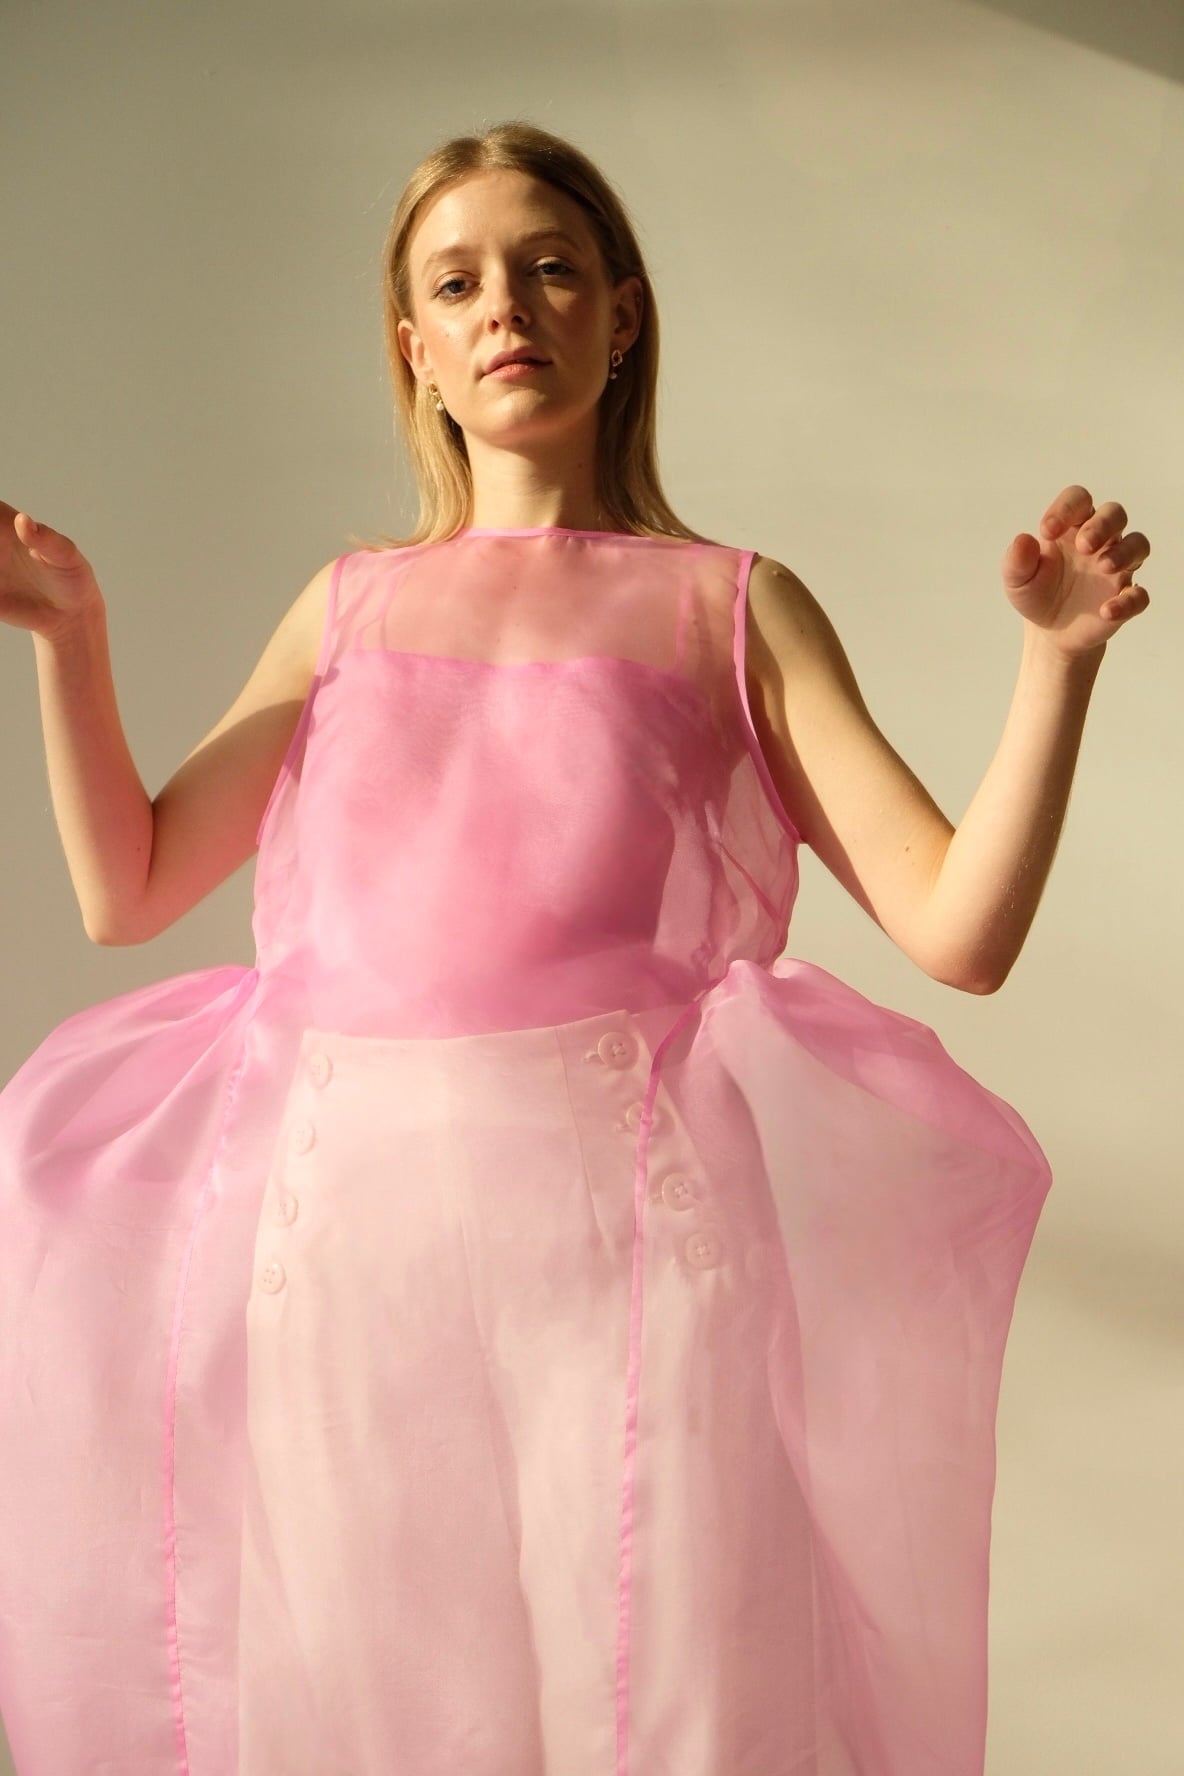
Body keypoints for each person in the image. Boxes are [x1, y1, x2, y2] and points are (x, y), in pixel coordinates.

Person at [0, 120, 1151, 1776]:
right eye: (455, 283)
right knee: (377, 1714)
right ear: (415, 350)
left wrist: (1055, 671)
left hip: (625, 1257)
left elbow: (958, 930)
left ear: (625, 311)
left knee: (662, 1704)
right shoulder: (349, 606)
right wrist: (73, 643)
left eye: (548, 267)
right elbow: (132, 884)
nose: (504, 308)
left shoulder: (726, 606)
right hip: (347, 1256)